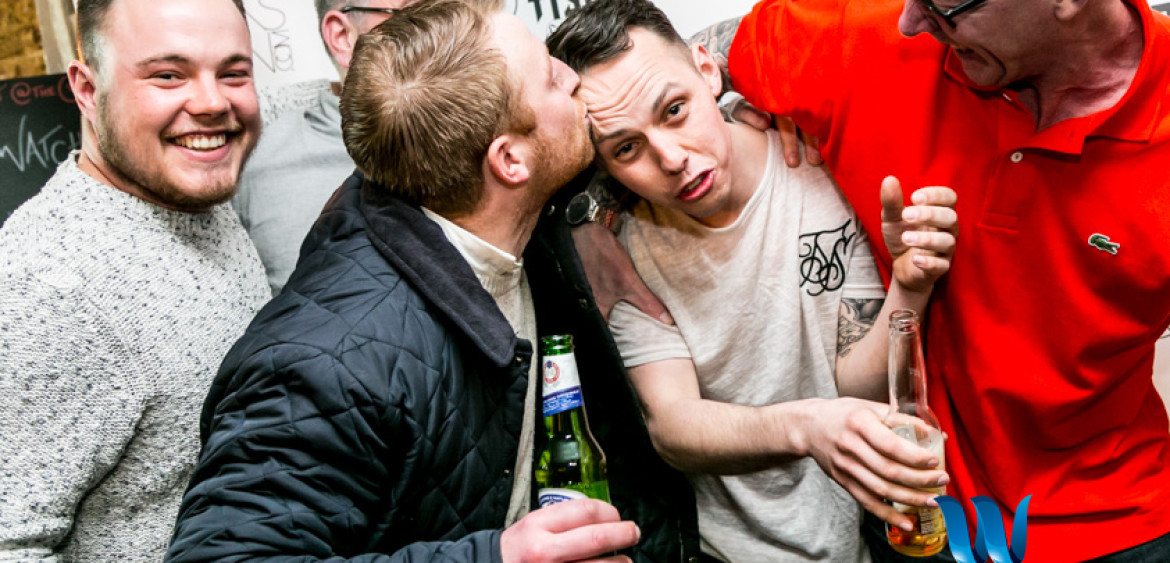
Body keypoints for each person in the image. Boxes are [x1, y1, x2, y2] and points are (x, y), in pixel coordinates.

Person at [166, 0, 700, 560]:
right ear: (509, 161)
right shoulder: (328, 363)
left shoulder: (475, 189)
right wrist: (499, 558)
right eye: (550, 76)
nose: (573, 79)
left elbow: (671, 70)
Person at [668, 0, 1170, 560]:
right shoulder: (870, 34)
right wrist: (603, 212)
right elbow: (655, 76)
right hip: (914, 517)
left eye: (943, 5)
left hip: (1113, 526)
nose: (911, 21)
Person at [547, 1, 957, 560]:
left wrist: (909, 287)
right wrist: (804, 427)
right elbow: (673, 426)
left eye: (674, 110)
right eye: (626, 148)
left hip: (857, 538)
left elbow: (856, 385)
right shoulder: (618, 248)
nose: (670, 158)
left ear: (707, 70)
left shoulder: (814, 163)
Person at [0, 0, 269, 560]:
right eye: (168, 75)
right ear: (87, 89)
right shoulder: (47, 292)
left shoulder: (190, 197)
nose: (212, 102)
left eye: (232, 73)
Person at [234, 0, 416, 295]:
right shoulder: (259, 163)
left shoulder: (487, 140)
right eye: (419, 14)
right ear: (343, 37)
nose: (453, 33)